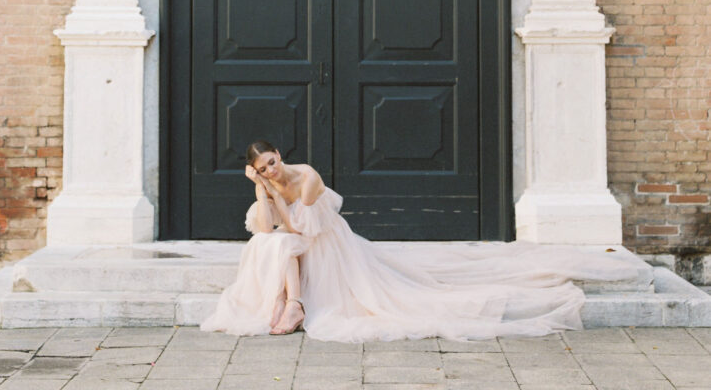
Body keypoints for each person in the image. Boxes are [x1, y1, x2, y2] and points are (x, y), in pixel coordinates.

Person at [201, 139, 643, 342]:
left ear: (281, 154)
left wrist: (274, 191)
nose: (271, 171)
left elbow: (300, 229)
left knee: (283, 245)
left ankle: (291, 305)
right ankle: (288, 304)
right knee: (268, 244)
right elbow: (266, 227)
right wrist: (260, 191)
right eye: (262, 169)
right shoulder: (268, 184)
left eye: (272, 163)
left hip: (330, 248)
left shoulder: (308, 178)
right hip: (301, 245)